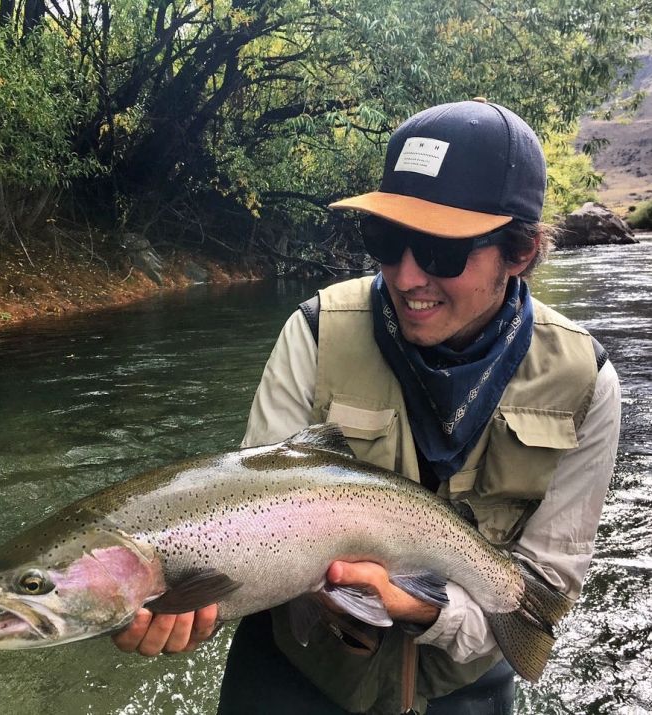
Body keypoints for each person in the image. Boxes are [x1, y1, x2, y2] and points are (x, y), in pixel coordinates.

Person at [112, 99, 621, 714]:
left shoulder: (585, 383)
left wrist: (427, 609)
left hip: (462, 685)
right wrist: (192, 606)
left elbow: (544, 587)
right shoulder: (317, 331)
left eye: (440, 252)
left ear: (521, 254)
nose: (406, 277)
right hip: (298, 672)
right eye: (386, 239)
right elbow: (246, 521)